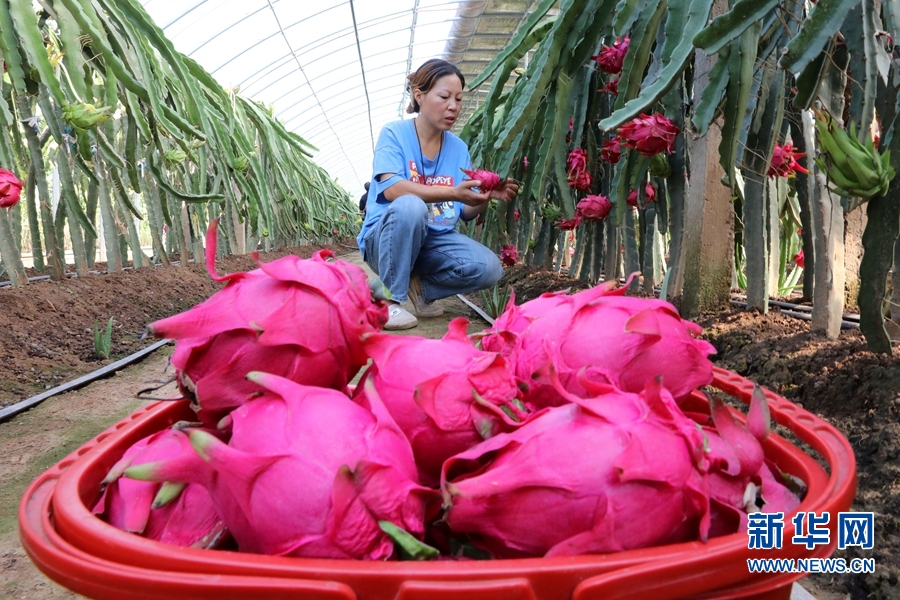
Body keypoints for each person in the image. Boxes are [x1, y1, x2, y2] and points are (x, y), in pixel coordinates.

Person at [357, 59, 518, 330]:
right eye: (444, 97)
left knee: (490, 267)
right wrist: (453, 191)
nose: (453, 106)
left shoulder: (458, 148)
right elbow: (393, 189)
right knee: (411, 206)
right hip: (385, 240)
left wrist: (484, 197)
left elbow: (464, 213)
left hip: (433, 243)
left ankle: (420, 291)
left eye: (458, 99)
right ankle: (388, 303)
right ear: (419, 96)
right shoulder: (394, 133)